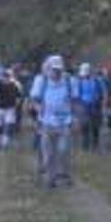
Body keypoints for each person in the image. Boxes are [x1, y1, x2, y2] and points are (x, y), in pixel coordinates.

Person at [30, 55, 78, 188]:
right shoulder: (41, 81)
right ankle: (50, 179)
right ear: (48, 69)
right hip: (46, 122)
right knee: (48, 154)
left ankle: (65, 175)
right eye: (53, 69)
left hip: (65, 122)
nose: (56, 72)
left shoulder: (69, 81)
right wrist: (39, 108)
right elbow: (33, 100)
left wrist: (75, 118)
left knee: (63, 150)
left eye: (58, 70)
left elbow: (74, 100)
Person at [76, 62, 106, 152]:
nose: (84, 76)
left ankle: (95, 144)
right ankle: (85, 144)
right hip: (84, 105)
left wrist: (103, 104)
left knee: (95, 125)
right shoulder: (80, 82)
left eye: (86, 74)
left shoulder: (98, 80)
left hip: (96, 105)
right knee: (84, 125)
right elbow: (78, 94)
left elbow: (104, 93)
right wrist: (78, 105)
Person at [0, 69, 23, 149]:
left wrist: (16, 105)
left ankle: (5, 143)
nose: (6, 79)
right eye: (5, 77)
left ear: (11, 77)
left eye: (8, 77)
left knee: (7, 126)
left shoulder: (15, 85)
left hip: (10, 108)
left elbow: (19, 96)